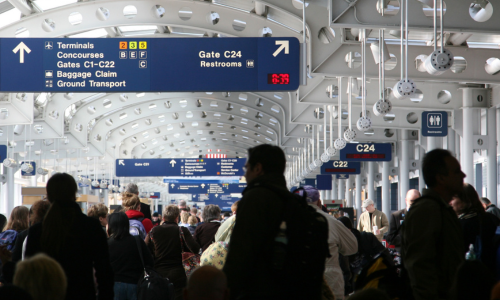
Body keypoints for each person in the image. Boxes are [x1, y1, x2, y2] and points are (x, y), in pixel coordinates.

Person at [223, 144, 327, 300]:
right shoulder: (292, 202)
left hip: (260, 291)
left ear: (258, 168)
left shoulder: (255, 198)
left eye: (247, 168)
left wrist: (228, 289)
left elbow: (241, 253)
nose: (246, 174)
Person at [24, 173, 114, 300]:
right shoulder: (91, 227)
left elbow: (29, 274)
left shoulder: (37, 231)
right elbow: (104, 272)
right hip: (82, 294)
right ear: (74, 194)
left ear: (48, 196)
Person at [402, 149, 465, 300]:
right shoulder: (427, 210)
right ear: (441, 178)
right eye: (457, 172)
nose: (463, 175)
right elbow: (420, 267)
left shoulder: (441, 208)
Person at [298, 186, 358, 300]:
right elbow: (352, 247)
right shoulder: (332, 222)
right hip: (330, 280)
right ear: (319, 202)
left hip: (299, 279)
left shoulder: (287, 221)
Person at [145, 205, 200, 300]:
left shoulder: (153, 231)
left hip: (159, 273)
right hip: (179, 272)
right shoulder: (182, 230)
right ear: (176, 218)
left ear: (163, 218)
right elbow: (195, 249)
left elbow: (145, 251)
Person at [450, 183, 498, 273]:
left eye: (452, 198)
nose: (449, 202)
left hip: (470, 274)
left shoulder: (462, 224)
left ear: (465, 201)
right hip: (491, 272)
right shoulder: (491, 218)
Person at [107, 212, 154, 300]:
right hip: (136, 285)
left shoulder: (107, 244)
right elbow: (149, 262)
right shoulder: (137, 241)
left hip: (114, 285)